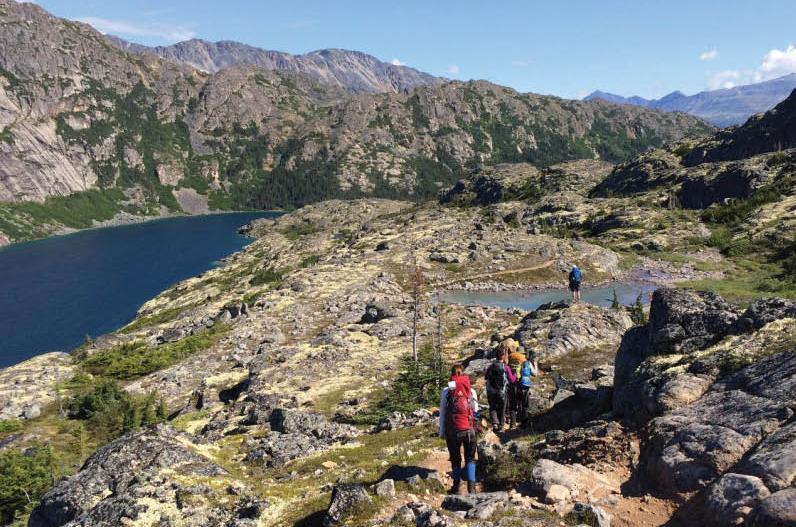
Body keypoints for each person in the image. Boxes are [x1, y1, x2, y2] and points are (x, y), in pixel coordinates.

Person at [438, 365, 479, 495]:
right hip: (468, 429)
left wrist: (442, 431)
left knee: (455, 459)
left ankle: (456, 487)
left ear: (452, 375)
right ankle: (471, 488)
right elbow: (476, 410)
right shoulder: (470, 390)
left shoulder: (447, 390)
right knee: (470, 458)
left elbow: (443, 412)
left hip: (453, 430)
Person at [485, 344, 516, 434]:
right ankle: (501, 426)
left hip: (491, 391)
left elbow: (486, 377)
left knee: (492, 407)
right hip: (502, 391)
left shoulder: (491, 366)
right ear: (503, 356)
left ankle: (495, 423)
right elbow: (512, 379)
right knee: (502, 408)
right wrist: (515, 374)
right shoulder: (505, 367)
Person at [516, 350, 539, 427]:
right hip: (526, 384)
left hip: (518, 383)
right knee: (525, 404)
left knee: (519, 402)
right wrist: (535, 364)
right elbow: (535, 374)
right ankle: (524, 422)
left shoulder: (517, 362)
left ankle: (518, 419)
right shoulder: (528, 363)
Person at [507, 342, 526, 429]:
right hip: (520, 382)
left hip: (511, 382)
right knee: (521, 402)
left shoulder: (510, 357)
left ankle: (512, 424)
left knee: (512, 404)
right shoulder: (523, 358)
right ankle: (522, 423)